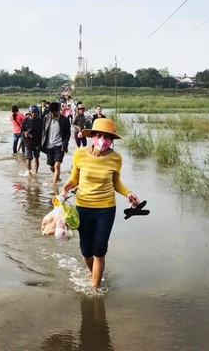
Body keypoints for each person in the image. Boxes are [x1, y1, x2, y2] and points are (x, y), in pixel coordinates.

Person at [59, 118, 140, 293]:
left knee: (99, 249)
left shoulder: (116, 157)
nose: (103, 140)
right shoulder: (80, 154)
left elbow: (116, 182)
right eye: (100, 135)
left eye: (107, 137)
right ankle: (93, 273)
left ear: (112, 140)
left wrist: (128, 193)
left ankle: (95, 289)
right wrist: (65, 188)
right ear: (93, 136)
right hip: (83, 207)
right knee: (86, 250)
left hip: (106, 208)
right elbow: (74, 178)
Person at [41, 102, 71, 184]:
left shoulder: (64, 120)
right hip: (49, 146)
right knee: (51, 166)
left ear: (59, 111)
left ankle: (54, 185)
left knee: (57, 164)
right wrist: (41, 143)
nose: (52, 114)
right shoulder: (47, 118)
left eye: (54, 112)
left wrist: (64, 144)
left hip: (59, 145)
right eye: (51, 112)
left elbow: (67, 134)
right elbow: (43, 131)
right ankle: (57, 176)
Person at [21, 105, 43, 175]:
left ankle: (36, 172)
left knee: (36, 158)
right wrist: (25, 133)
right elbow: (22, 130)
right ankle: (29, 172)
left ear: (38, 112)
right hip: (28, 143)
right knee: (28, 158)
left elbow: (44, 132)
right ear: (30, 112)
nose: (34, 114)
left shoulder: (40, 121)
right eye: (32, 112)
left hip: (37, 143)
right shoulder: (26, 120)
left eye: (35, 112)